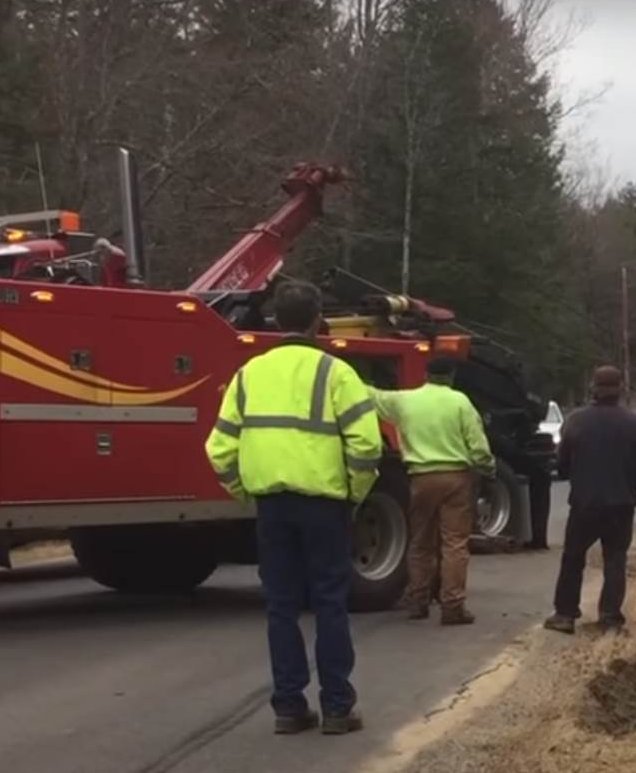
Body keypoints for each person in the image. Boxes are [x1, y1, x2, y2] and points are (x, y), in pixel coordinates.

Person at [205, 280, 382, 735]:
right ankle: (337, 708)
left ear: (275, 321)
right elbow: (366, 446)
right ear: (317, 319)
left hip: (272, 507)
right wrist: (354, 493)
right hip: (324, 504)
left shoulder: (249, 374)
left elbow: (219, 449)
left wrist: (247, 493)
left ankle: (289, 707)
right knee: (329, 603)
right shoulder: (337, 373)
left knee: (280, 606)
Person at [369, 357, 495, 625]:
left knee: (420, 542)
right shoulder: (460, 402)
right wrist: (487, 468)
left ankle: (418, 601)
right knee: (454, 543)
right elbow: (479, 446)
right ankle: (452, 606)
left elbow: (371, 396)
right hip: (456, 479)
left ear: (426, 374)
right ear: (451, 376)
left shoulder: (405, 401)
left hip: (420, 478)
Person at [544, 365, 636, 635]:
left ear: (593, 390)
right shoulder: (635, 424)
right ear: (620, 390)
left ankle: (564, 615)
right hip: (621, 504)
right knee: (615, 560)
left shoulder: (576, 421)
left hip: (584, 504)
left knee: (573, 558)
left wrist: (575, 475)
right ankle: (609, 618)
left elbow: (561, 464)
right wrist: (633, 479)